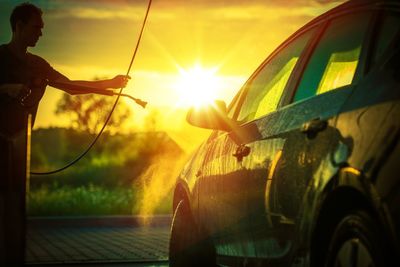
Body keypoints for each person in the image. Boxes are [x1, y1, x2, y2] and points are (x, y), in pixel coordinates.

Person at [0, 3, 130, 265]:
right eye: (36, 28)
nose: (41, 34)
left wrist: (111, 85)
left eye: (42, 29)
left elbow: (71, 87)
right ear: (19, 26)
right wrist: (6, 88)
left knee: (15, 207)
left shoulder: (39, 65)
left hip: (20, 147)